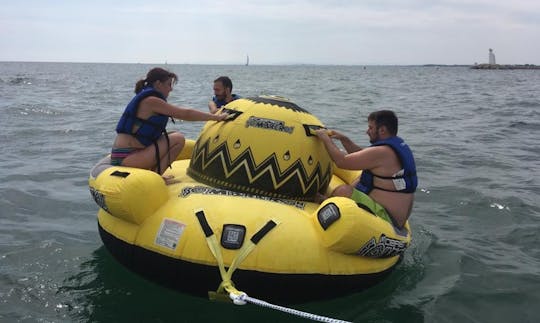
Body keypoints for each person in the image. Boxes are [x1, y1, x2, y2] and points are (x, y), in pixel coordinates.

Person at [111, 67, 229, 182]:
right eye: (169, 84)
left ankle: (154, 174)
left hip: (123, 154)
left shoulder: (146, 98)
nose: (171, 89)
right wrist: (216, 118)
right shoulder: (152, 101)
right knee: (178, 139)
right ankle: (156, 178)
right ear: (158, 84)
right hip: (127, 157)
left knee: (172, 135)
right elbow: (186, 114)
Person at [315, 110, 417, 229]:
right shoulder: (394, 147)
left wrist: (325, 138)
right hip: (395, 215)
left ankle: (324, 205)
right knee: (360, 178)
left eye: (370, 128)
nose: (367, 131)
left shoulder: (382, 151)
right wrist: (345, 140)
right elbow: (363, 156)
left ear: (382, 130)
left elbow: (341, 162)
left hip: (386, 217)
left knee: (343, 191)